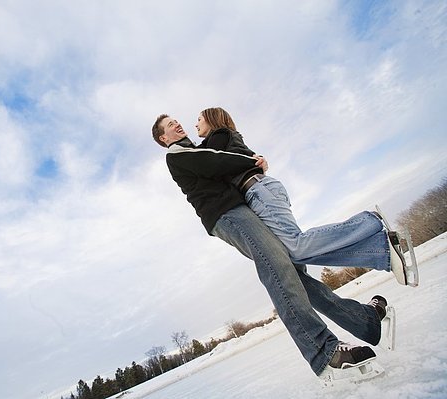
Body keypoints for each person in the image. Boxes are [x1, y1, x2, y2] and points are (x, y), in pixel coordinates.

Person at [152, 114, 388, 381]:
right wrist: (252, 161)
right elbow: (216, 162)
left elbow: (223, 162)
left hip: (239, 210)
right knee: (278, 270)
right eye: (170, 125)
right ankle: (325, 351)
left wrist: (254, 164)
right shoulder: (176, 153)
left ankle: (364, 320)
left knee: (294, 273)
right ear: (163, 137)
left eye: (176, 121)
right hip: (227, 214)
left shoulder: (193, 148)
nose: (177, 124)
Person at [192, 107, 418, 287]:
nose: (196, 124)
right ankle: (381, 251)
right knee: (294, 254)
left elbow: (203, 159)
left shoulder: (220, 136)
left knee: (297, 247)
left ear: (212, 120)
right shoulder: (230, 138)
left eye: (199, 119)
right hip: (262, 191)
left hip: (259, 191)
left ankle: (368, 221)